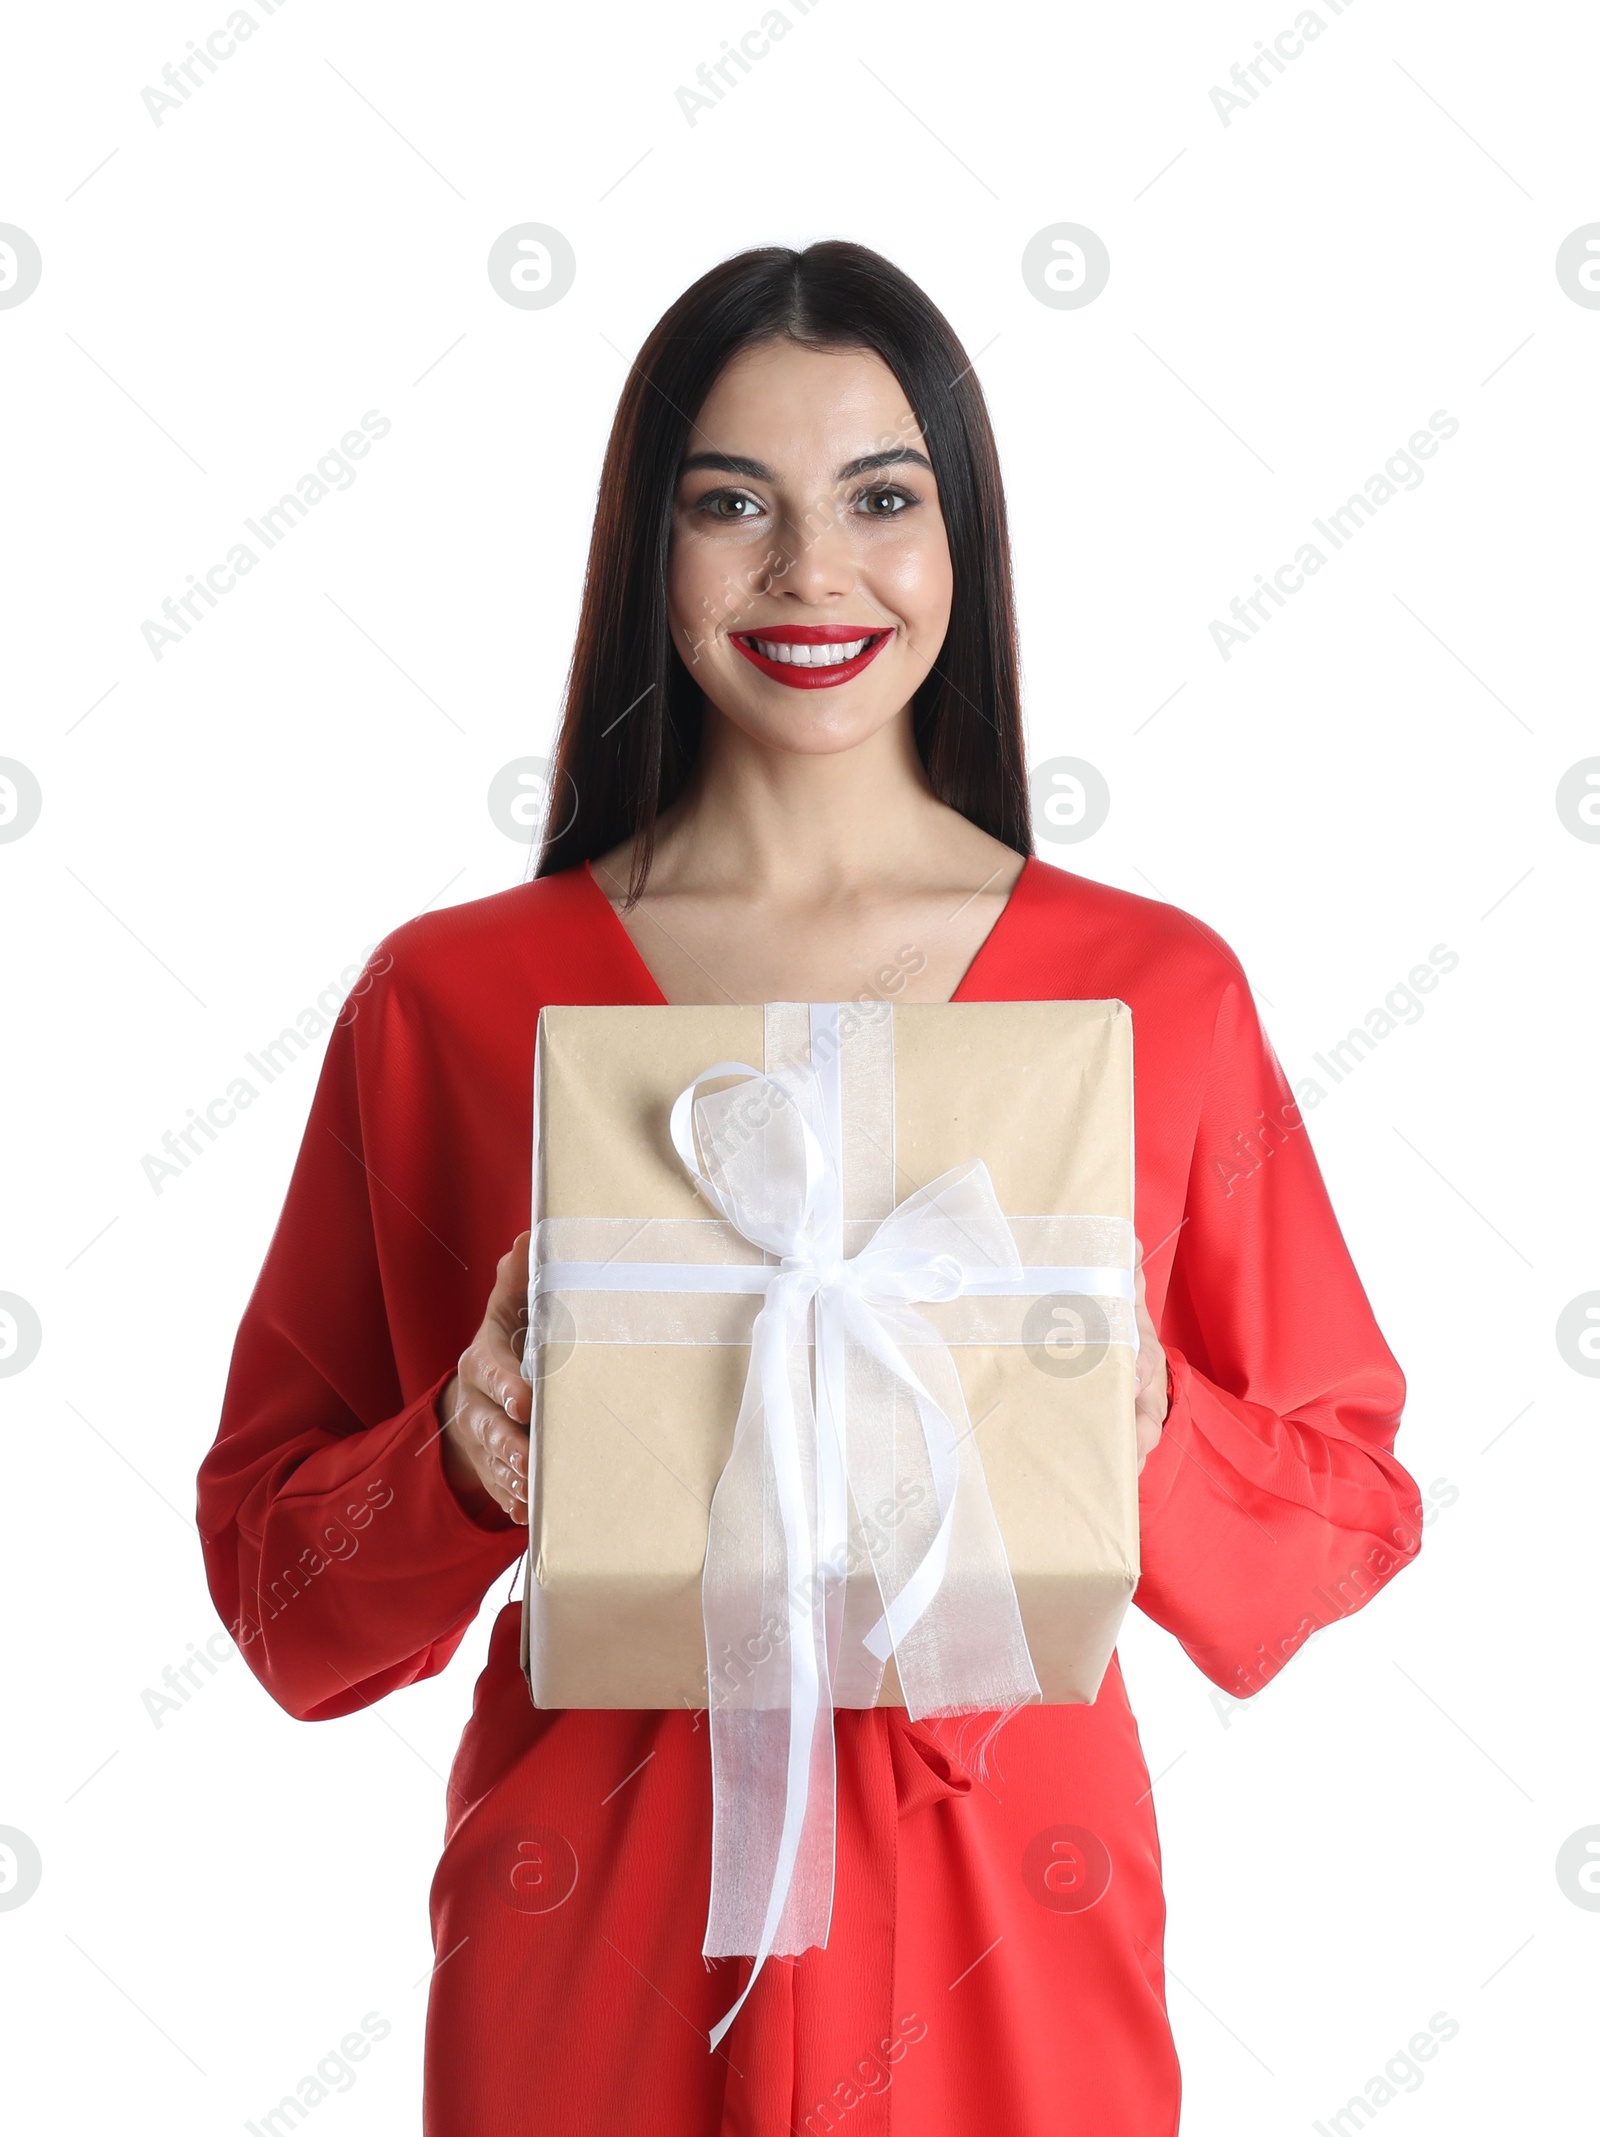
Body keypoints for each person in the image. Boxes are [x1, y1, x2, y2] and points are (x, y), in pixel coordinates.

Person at [198, 240, 1423, 2136]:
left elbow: (1344, 1518)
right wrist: (450, 1466)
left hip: (1017, 1951)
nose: (809, 574)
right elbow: (284, 1599)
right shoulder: (449, 1000)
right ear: (646, 550)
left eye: (879, 498)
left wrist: (1149, 1441)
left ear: (965, 540)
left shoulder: (1156, 996)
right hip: (588, 1954)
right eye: (730, 505)